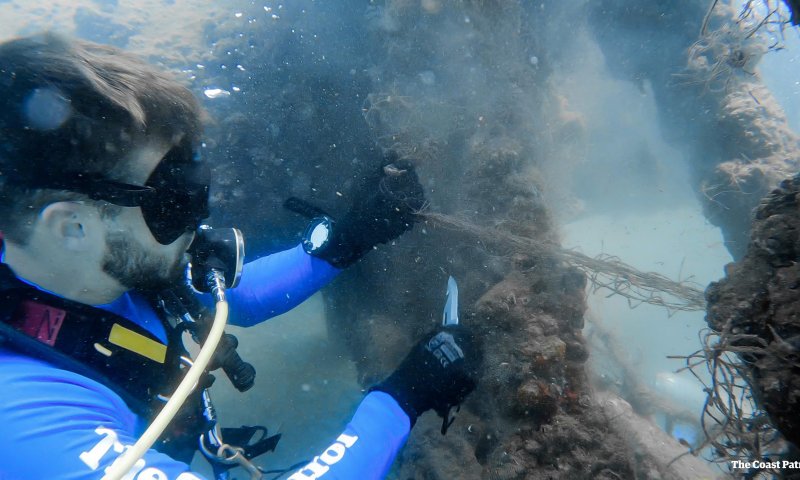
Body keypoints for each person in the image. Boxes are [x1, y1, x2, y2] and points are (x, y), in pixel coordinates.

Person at [0, 33, 481, 480]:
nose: (199, 215)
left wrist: (353, 234)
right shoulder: (26, 421)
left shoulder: (89, 265)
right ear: (71, 228)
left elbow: (236, 296)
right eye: (171, 199)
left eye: (194, 181)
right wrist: (402, 399)